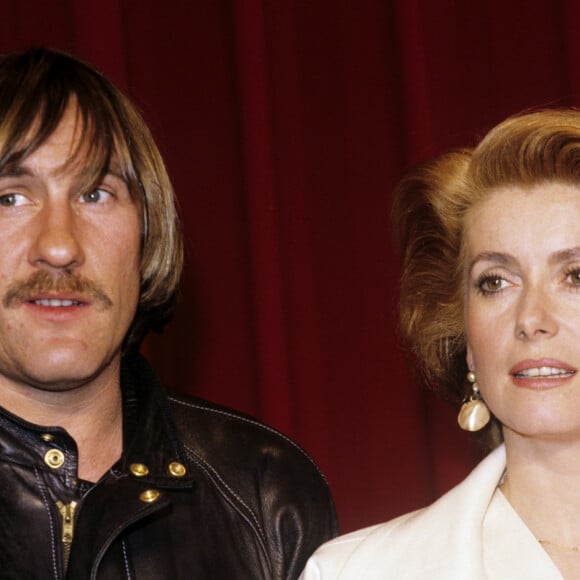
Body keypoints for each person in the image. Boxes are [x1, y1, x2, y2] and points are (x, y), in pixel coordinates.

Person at [0, 47, 337, 579]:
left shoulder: (268, 495)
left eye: (94, 193)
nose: (60, 246)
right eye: (10, 199)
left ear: (146, 231)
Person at [300, 108, 580, 579]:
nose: (531, 319)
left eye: (576, 276)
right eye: (495, 282)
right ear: (465, 337)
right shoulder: (358, 572)